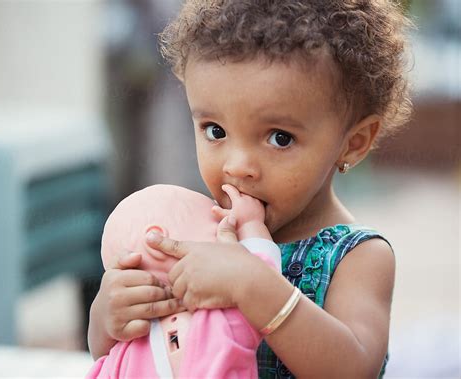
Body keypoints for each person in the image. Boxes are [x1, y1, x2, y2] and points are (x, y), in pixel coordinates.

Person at [88, 0, 413, 377]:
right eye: (215, 131)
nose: (237, 165)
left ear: (353, 142)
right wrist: (108, 320)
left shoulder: (358, 257)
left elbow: (354, 369)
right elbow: (144, 355)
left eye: (279, 138)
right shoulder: (199, 232)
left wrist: (253, 285)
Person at [87, 183, 282, 378]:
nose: (235, 237)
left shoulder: (120, 357)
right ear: (157, 241)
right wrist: (250, 225)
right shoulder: (219, 317)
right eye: (219, 227)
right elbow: (261, 284)